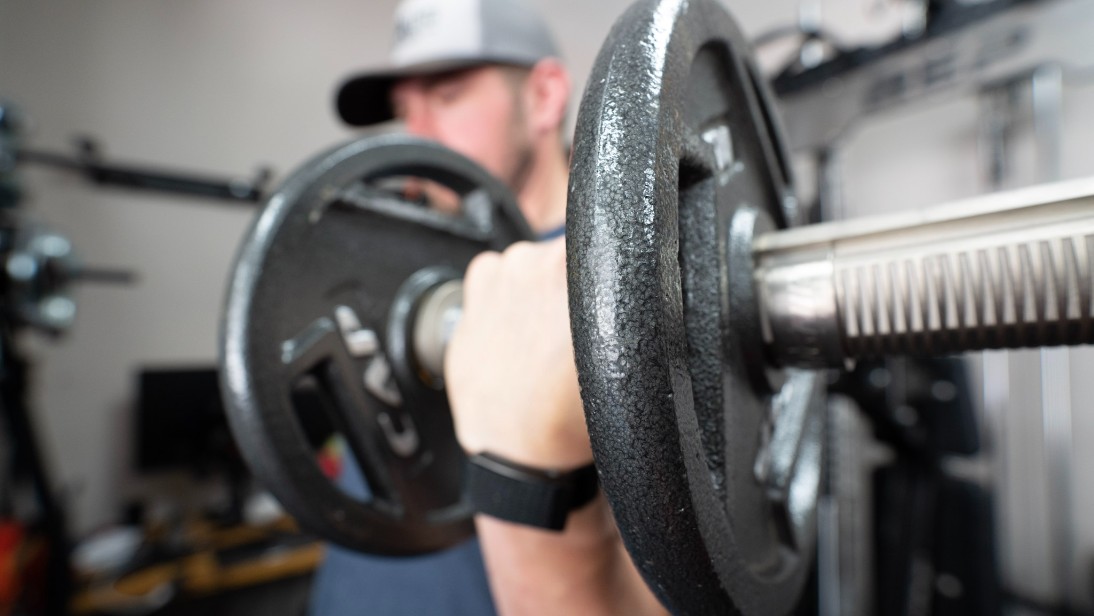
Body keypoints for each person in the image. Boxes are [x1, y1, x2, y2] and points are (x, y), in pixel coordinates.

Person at [311, 0, 665, 613]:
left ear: (545, 95)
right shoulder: (402, 274)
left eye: (447, 97)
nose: (414, 135)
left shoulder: (627, 296)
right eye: (403, 111)